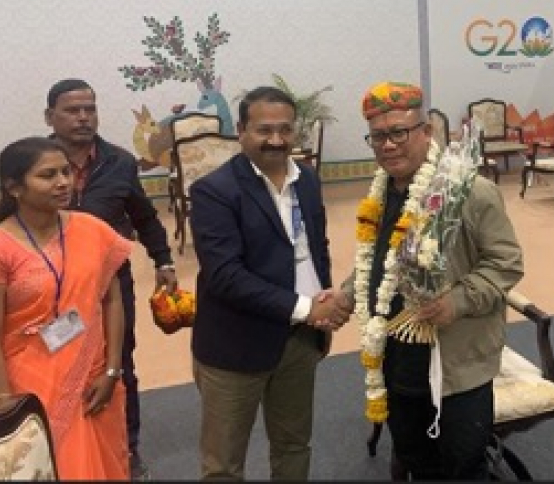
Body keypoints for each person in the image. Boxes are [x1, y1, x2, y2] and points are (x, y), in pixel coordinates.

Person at [339, 81, 524, 480]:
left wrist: (457, 301)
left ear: (427, 131)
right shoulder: (379, 196)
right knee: (416, 461)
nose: (388, 145)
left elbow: (506, 264)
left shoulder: (471, 191)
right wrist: (345, 295)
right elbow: (379, 263)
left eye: (399, 132)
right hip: (396, 361)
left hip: (457, 363)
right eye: (378, 136)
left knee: (464, 466)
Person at [189, 86, 350, 480]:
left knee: (294, 446)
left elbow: (316, 247)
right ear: (241, 130)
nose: (276, 140)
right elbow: (225, 276)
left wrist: (323, 308)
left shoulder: (306, 180)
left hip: (300, 342)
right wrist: (307, 308)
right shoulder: (215, 191)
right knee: (224, 465)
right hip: (235, 347)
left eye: (285, 129)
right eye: (264, 130)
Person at [44, 78, 178, 480]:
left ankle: (126, 448)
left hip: (110, 288)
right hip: (51, 289)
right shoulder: (34, 161)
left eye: (90, 108)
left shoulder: (119, 162)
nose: (83, 117)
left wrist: (163, 260)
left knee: (118, 364)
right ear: (50, 116)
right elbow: (8, 224)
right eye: (72, 110)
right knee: (56, 365)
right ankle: (60, 448)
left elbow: (144, 216)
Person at [0, 137, 132, 479]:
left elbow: (112, 300)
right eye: (47, 175)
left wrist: (112, 371)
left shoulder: (92, 229)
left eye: (66, 171)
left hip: (94, 378)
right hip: (30, 385)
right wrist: (4, 406)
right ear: (14, 187)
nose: (63, 181)